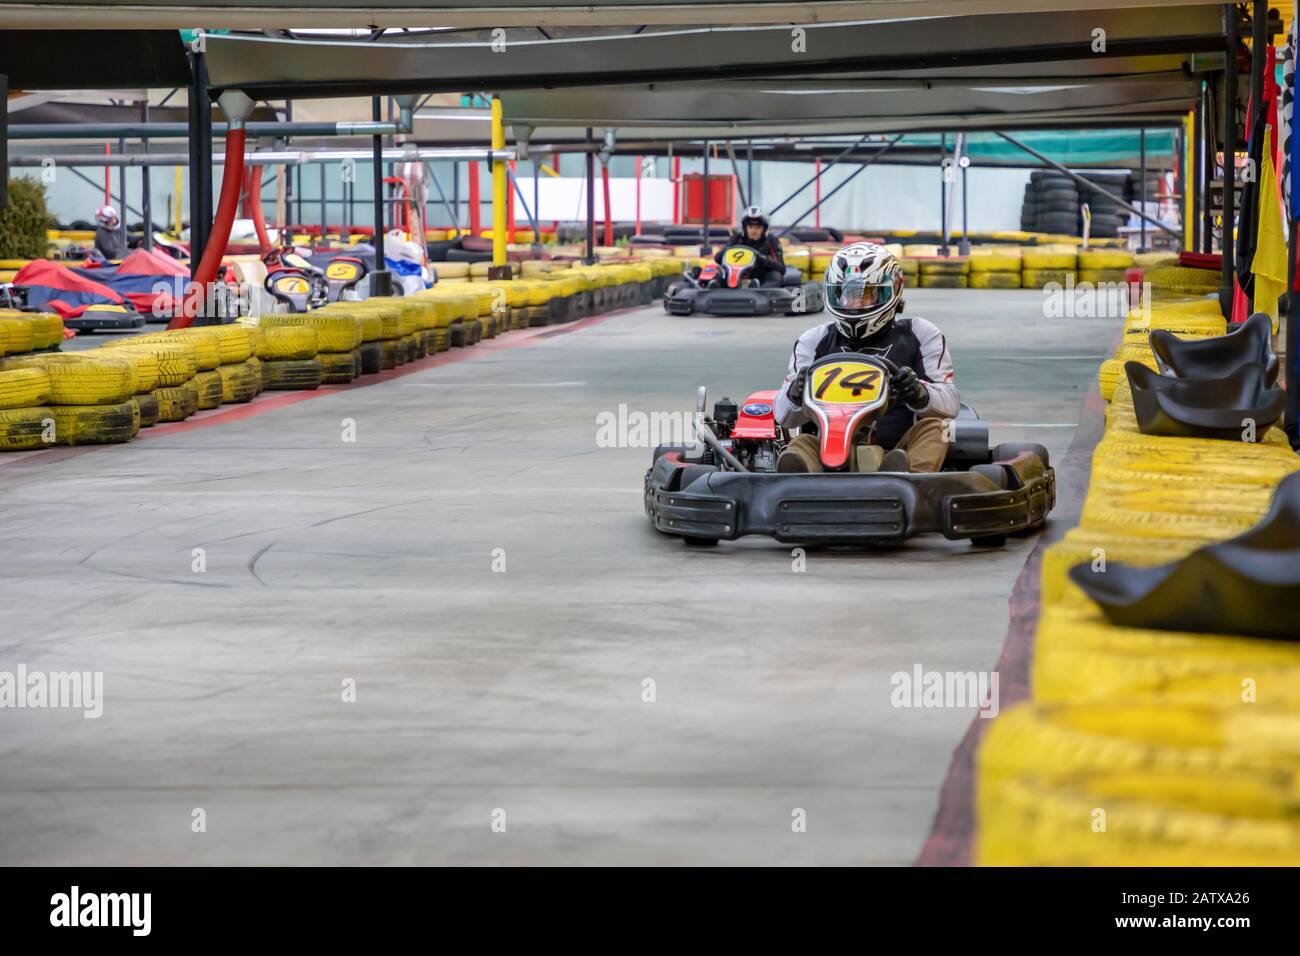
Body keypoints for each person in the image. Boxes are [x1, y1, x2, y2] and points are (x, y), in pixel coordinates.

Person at [774, 241, 959, 474]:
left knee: (938, 428)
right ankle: (798, 481)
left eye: (867, 295)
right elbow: (782, 415)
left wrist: (919, 393)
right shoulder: (814, 340)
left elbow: (951, 403)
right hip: (828, 453)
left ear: (892, 290)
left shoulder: (920, 334)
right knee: (801, 444)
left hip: (899, 451)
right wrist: (795, 394)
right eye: (846, 295)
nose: (854, 304)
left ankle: (908, 478)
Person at [715, 205, 785, 287]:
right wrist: (727, 250)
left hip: (760, 277)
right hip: (736, 276)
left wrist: (762, 259)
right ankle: (714, 288)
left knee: (775, 275)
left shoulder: (771, 240)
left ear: (764, 229)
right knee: (715, 270)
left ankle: (758, 291)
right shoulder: (737, 238)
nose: (754, 231)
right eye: (750, 227)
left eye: (758, 227)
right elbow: (718, 258)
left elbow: (781, 268)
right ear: (745, 228)